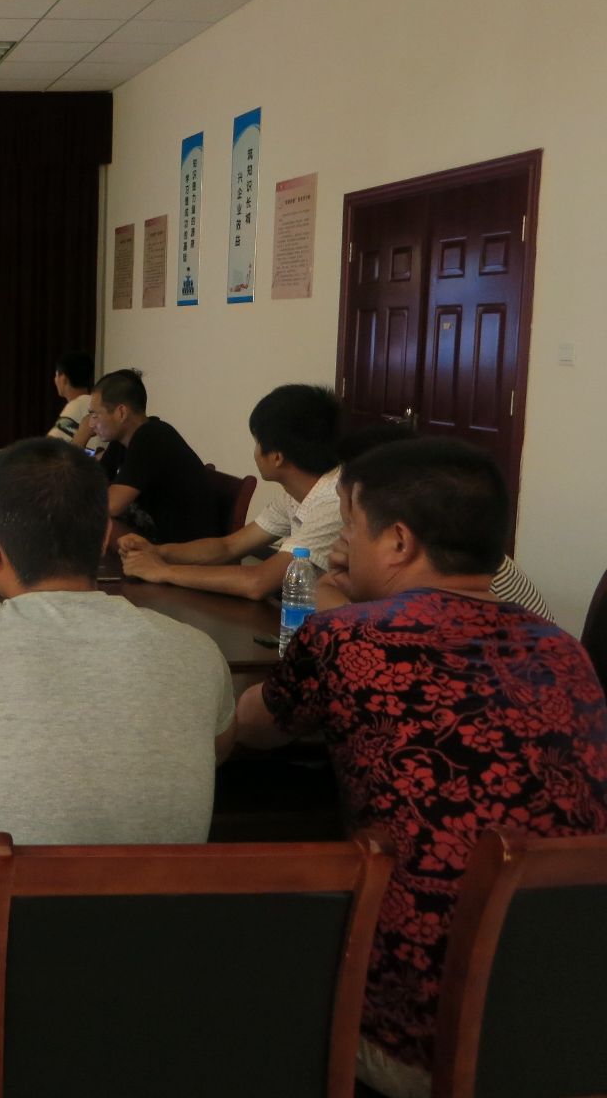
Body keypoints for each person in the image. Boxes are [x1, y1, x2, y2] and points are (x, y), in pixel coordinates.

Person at [234, 437, 607, 1098]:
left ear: (399, 542)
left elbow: (253, 727)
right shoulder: (564, 650)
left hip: (413, 1037)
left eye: (351, 528)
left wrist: (335, 616)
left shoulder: (346, 637)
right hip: (567, 1022)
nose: (343, 545)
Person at [0, 438, 236, 1086]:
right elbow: (218, 747)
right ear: (105, 539)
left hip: (2, 1025)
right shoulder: (197, 652)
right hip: (164, 1011)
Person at [118, 383, 342, 599]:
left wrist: (162, 571)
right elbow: (228, 547)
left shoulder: (333, 501)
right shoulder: (296, 494)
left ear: (276, 457)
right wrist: (157, 552)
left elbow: (258, 582)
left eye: (257, 442)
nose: (255, 451)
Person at [314, 422, 552, 619]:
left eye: (353, 518)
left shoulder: (457, 575)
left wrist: (344, 599)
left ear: (399, 541)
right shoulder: (458, 547)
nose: (345, 531)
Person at [87, 368, 214, 542]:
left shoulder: (151, 436)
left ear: (121, 412)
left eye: (95, 415)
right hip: (154, 538)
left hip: (181, 547)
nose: (90, 424)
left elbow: (111, 505)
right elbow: (89, 481)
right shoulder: (122, 441)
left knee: (93, 523)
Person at [45, 350, 105, 455]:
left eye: (56, 375)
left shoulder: (76, 405)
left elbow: (46, 449)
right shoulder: (95, 403)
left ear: (63, 378)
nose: (55, 379)